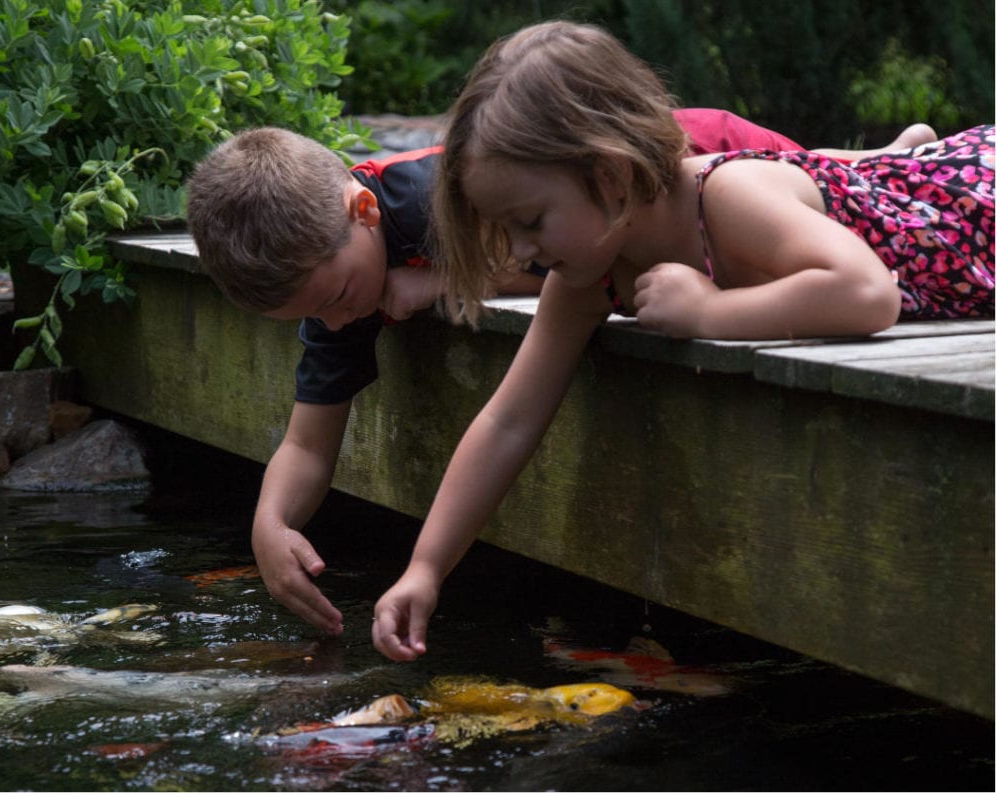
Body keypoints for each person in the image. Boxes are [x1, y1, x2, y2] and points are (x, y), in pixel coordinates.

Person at [370, 19, 993, 660]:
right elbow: (508, 419)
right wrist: (426, 567)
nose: (521, 251)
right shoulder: (589, 275)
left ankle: (902, 154)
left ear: (611, 175)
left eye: (530, 222)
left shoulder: (724, 194)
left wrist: (710, 314)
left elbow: (867, 294)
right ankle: (898, 151)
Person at [186, 113, 941, 635]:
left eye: (341, 297)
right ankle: (891, 161)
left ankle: (890, 160)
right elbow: (309, 439)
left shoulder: (436, 201)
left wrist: (451, 281)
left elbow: (551, 260)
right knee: (833, 189)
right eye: (318, 314)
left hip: (701, 148)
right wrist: (270, 522)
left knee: (816, 175)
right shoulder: (333, 285)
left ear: (362, 210)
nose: (342, 319)